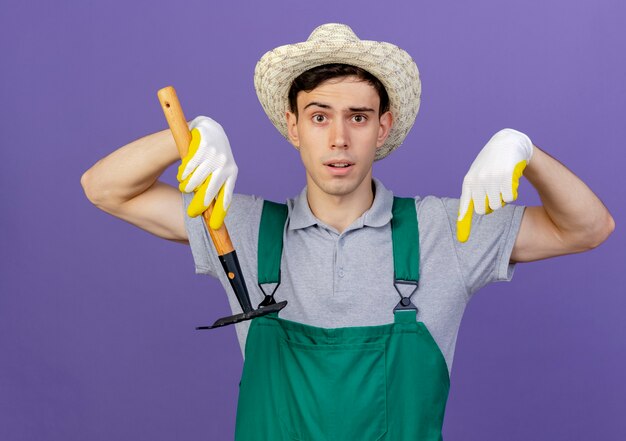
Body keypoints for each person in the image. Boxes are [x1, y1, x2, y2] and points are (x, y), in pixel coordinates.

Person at [81, 23, 614, 441]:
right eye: (319, 117)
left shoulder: (445, 232)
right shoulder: (238, 227)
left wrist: (526, 151)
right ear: (293, 126)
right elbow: (106, 189)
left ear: (382, 127)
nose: (338, 138)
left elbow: (589, 229)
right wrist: (189, 137)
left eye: (358, 117)